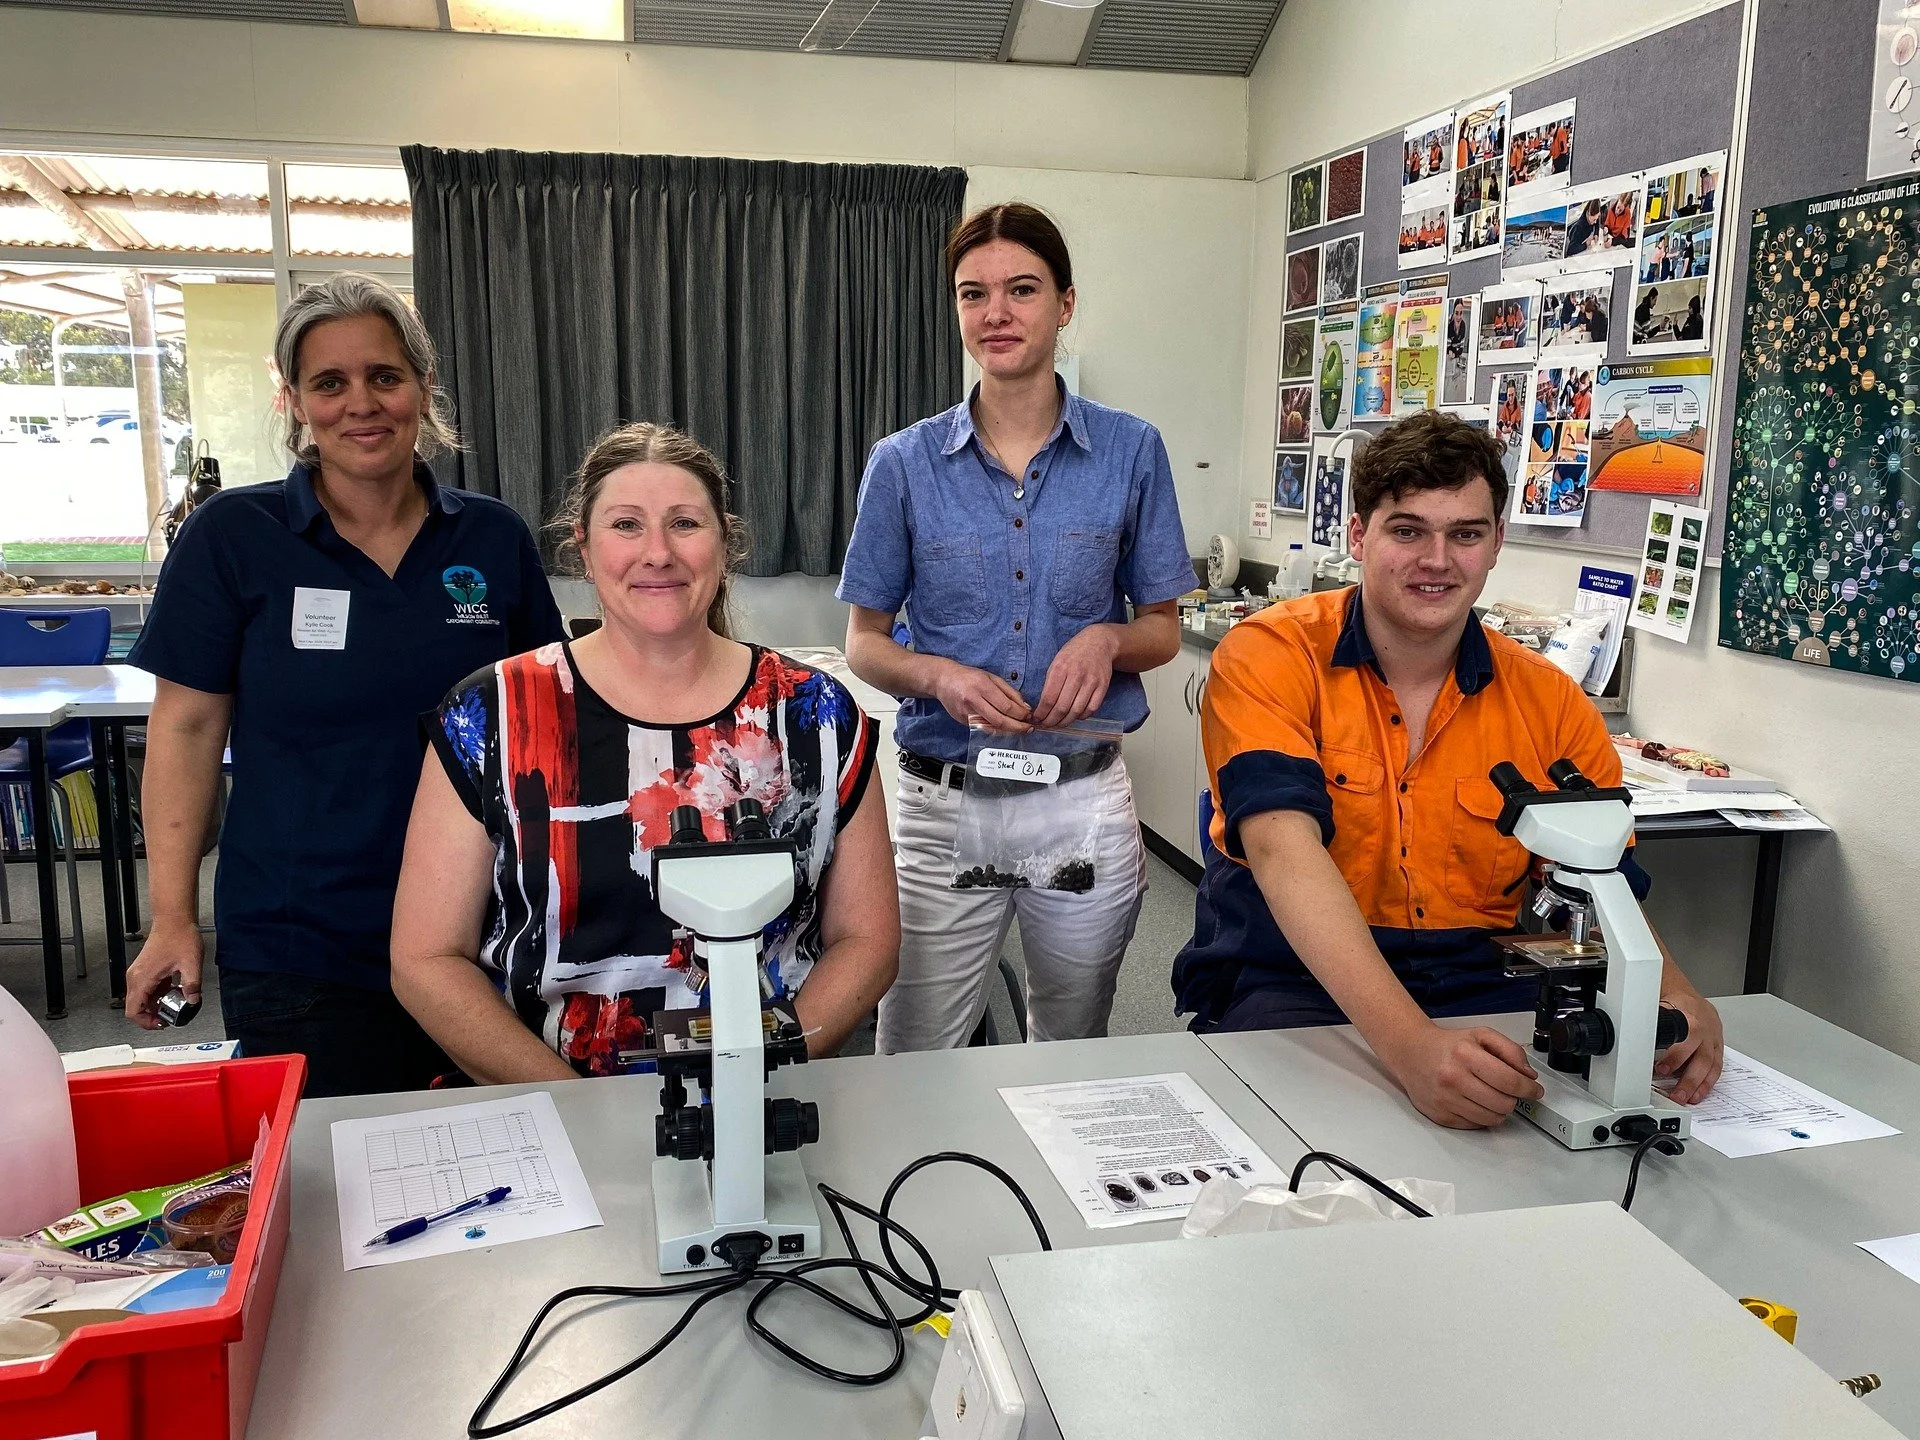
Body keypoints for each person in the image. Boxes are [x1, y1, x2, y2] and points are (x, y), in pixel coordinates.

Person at [1170, 412, 1724, 1129]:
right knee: (1311, 1163)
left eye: (1465, 533)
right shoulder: (1270, 656)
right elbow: (1283, 852)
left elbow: (1603, 884)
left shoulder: (1551, 701)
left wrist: (1677, 994)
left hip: (1482, 980)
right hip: (1293, 977)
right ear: (1359, 535)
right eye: (1407, 531)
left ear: (1495, 544)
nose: (1438, 559)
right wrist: (1410, 1047)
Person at [122, 273, 566, 1097]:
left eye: (384, 377)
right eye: (330, 382)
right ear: (293, 400)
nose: (360, 402)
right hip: (303, 948)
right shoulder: (235, 537)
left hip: (485, 936)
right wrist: (173, 918)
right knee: (332, 1198)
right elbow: (184, 733)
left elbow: (548, 717)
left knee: (518, 1181)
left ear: (422, 390)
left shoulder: (492, 539)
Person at [390, 424, 899, 1082]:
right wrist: (577, 1105)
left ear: (725, 542)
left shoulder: (818, 714)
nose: (657, 553)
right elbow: (425, 957)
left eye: (684, 523)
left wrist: (763, 1070)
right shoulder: (489, 716)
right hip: (548, 1104)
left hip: (767, 1098)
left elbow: (868, 941)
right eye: (626, 525)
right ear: (584, 545)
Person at [838, 202, 1193, 1053]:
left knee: (1071, 1042)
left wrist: (1108, 639)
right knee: (915, 1047)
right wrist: (938, 677)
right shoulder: (904, 463)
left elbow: (1163, 629)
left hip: (1078, 796)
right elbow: (866, 644)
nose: (996, 314)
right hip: (942, 799)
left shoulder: (1131, 451)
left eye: (1021, 290)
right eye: (974, 294)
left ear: (1064, 304)